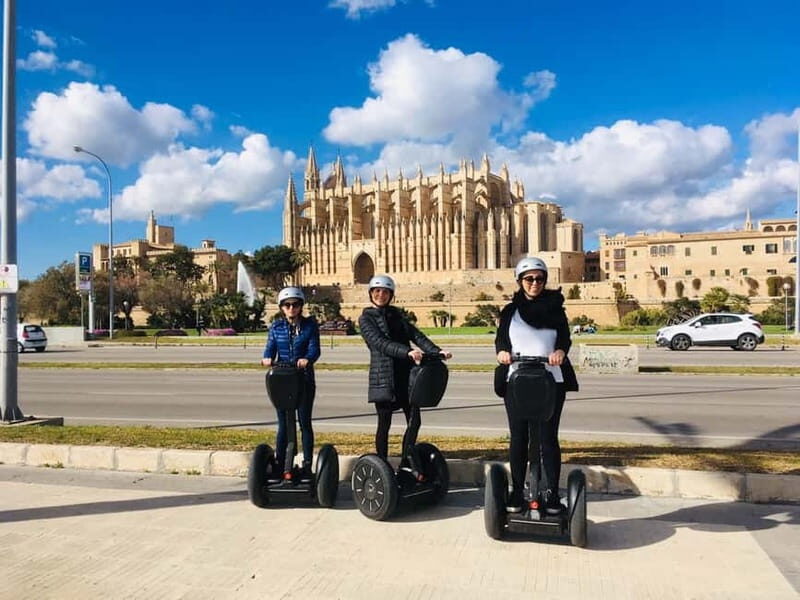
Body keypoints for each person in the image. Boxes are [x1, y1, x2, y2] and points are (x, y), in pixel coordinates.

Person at [495, 257, 579, 514]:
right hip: (517, 380)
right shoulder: (510, 311)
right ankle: (517, 490)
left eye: (539, 279)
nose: (534, 284)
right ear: (520, 281)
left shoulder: (556, 309)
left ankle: (552, 492)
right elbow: (500, 341)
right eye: (529, 279)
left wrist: (560, 352)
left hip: (550, 380)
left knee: (547, 438)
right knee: (519, 437)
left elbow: (564, 339)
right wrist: (502, 353)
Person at [359, 275, 451, 469]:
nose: (381, 295)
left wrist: (436, 351)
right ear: (371, 294)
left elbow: (416, 335)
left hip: (406, 376)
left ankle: (405, 461)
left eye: (385, 292)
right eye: (377, 291)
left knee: (414, 420)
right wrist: (407, 352)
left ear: (391, 295)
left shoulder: (397, 316)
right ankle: (381, 465)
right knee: (384, 424)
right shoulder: (366, 319)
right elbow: (380, 343)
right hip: (384, 377)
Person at [261, 286, 321, 479]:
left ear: (301, 306)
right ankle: (281, 463)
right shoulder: (276, 327)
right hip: (282, 380)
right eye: (287, 305)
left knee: (304, 423)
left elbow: (314, 350)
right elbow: (270, 348)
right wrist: (267, 358)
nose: (291, 308)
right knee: (283, 425)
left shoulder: (310, 326)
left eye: (295, 305)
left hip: (303, 380)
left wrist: (307, 359)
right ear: (281, 308)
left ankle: (307, 464)